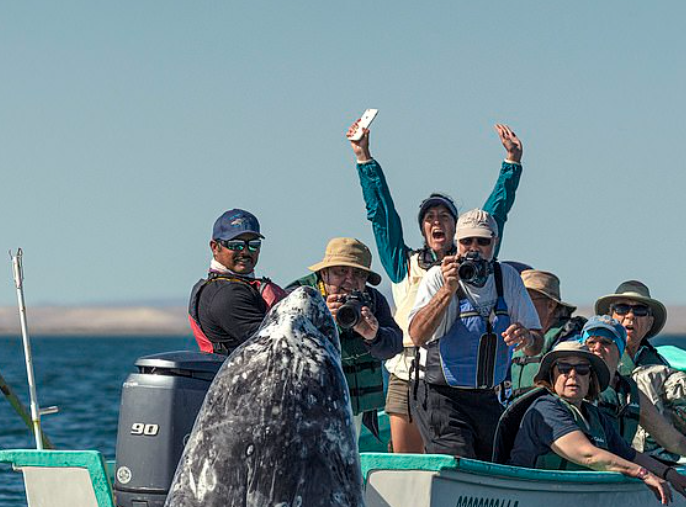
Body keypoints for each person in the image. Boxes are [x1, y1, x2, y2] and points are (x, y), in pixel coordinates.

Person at [348, 120, 523, 453]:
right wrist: (363, 157)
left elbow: (495, 215)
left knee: (457, 454)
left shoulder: (478, 263)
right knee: (408, 463)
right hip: (408, 370)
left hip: (458, 377)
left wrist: (511, 165)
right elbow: (381, 215)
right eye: (430, 218)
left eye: (445, 216)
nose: (436, 222)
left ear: (457, 228)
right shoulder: (404, 264)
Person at [500, 341, 686, 505]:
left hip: (566, 503)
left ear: (591, 379)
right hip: (528, 500)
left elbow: (630, 455)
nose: (573, 375)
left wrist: (670, 475)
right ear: (551, 376)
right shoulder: (545, 409)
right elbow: (588, 454)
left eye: (582, 370)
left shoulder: (594, 415)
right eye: (564, 368)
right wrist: (643, 474)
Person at [406, 209, 542, 461]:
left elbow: (536, 343)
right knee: (459, 462)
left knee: (493, 466)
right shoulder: (438, 277)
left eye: (482, 241)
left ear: (495, 242)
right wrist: (447, 291)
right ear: (456, 244)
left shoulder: (507, 278)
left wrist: (527, 338)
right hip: (442, 396)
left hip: (489, 397)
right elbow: (417, 336)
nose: (474, 248)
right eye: (467, 241)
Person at [579, 316, 686, 472]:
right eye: (591, 342)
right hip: (588, 468)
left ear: (620, 349)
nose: (597, 348)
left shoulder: (631, 392)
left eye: (606, 342)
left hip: (620, 469)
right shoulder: (575, 387)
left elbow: (674, 441)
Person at [287, 238, 402, 425]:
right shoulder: (300, 298)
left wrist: (374, 336)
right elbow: (282, 348)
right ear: (324, 273)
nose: (350, 280)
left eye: (358, 274)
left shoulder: (372, 300)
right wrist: (319, 320)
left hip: (351, 409)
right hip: (307, 404)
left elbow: (395, 346)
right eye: (341, 271)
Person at [594, 280, 686, 460]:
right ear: (610, 316)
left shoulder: (660, 366)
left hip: (651, 459)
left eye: (639, 310)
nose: (630, 316)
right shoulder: (591, 355)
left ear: (650, 322)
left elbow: (677, 432)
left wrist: (685, 427)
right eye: (621, 308)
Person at [188, 209, 287, 355]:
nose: (246, 252)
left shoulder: (243, 287)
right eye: (236, 245)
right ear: (215, 247)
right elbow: (276, 346)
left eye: (253, 244)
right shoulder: (227, 295)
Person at [509, 270, 587, 397]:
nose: (520, 304)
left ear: (551, 305)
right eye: (518, 298)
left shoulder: (572, 341)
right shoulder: (513, 338)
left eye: (528, 299)